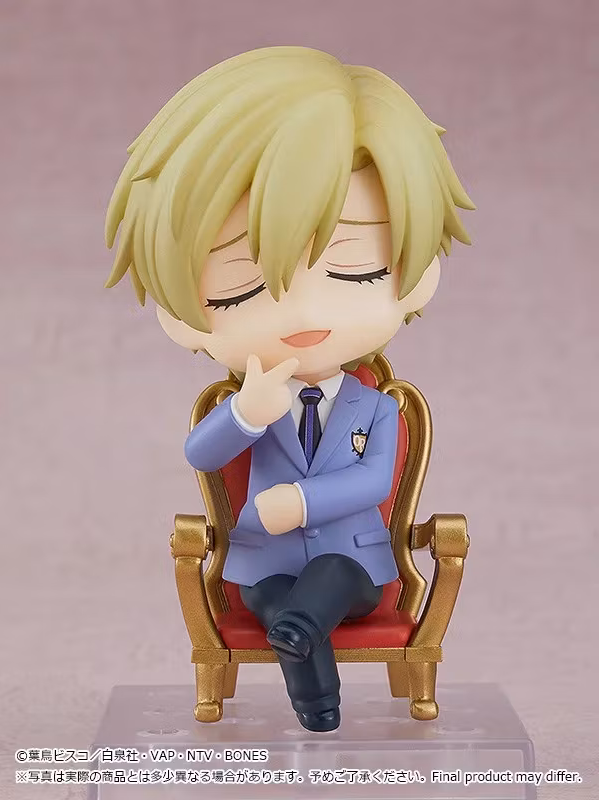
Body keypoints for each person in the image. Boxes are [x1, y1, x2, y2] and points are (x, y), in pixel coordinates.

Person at [105, 46, 474, 732]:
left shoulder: (377, 407)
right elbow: (200, 454)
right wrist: (246, 415)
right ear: (179, 315)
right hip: (264, 562)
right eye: (241, 289)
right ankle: (319, 707)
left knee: (326, 587)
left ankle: (303, 638)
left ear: (415, 278)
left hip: (354, 563)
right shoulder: (247, 402)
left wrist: (300, 501)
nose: (303, 313)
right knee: (277, 604)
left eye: (357, 272)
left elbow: (374, 481)